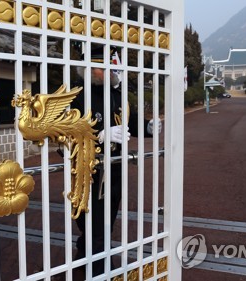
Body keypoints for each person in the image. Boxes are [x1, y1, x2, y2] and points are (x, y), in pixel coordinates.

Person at [71, 47, 162, 278]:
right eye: (104, 66)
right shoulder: (77, 96)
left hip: (116, 167)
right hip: (89, 169)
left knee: (107, 220)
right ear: (88, 69)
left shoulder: (117, 94)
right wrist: (99, 134)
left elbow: (128, 122)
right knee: (95, 223)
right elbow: (65, 134)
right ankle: (100, 270)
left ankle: (83, 258)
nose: (110, 70)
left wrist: (148, 127)